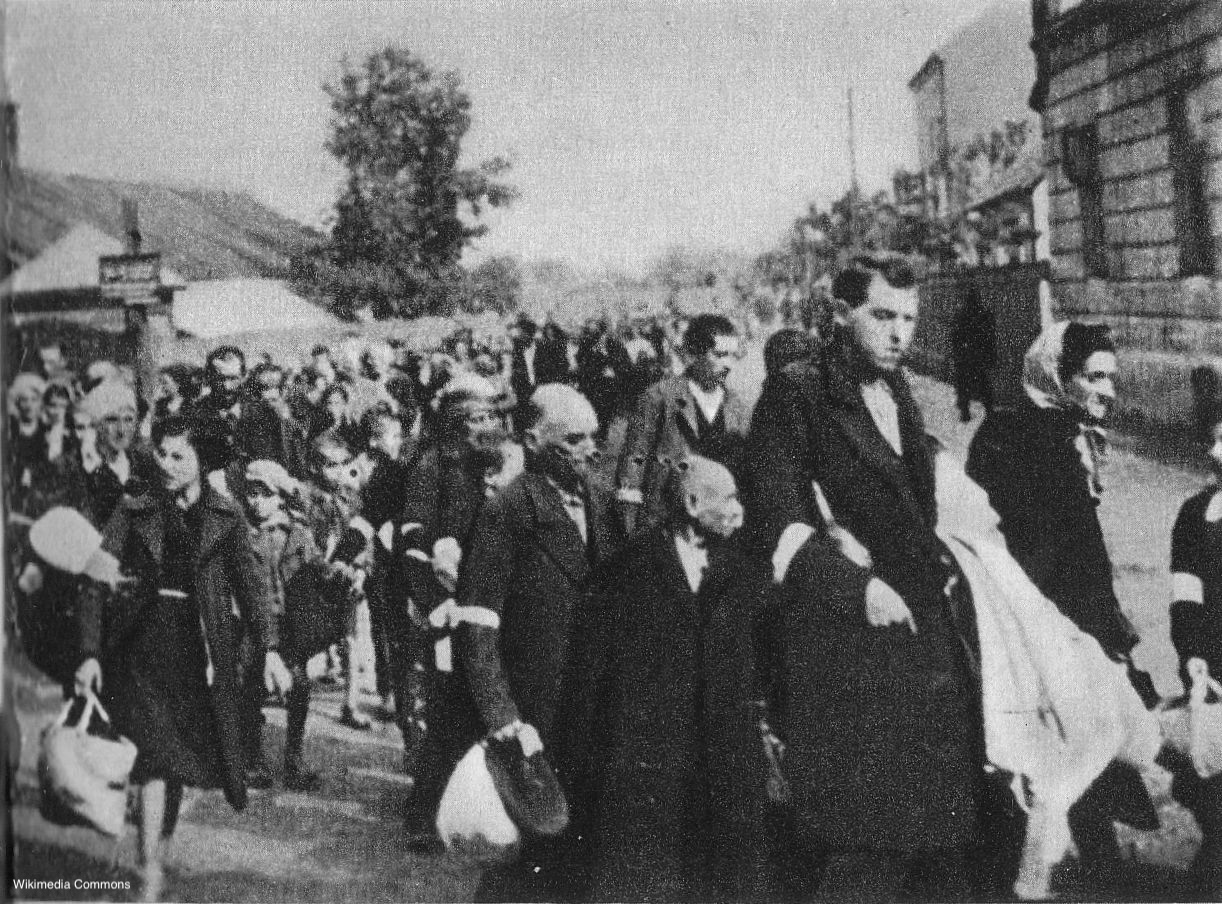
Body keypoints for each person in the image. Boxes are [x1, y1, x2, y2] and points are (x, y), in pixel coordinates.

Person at [746, 256, 982, 902]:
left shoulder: (900, 390)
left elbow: (912, 505)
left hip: (920, 633)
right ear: (840, 313)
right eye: (883, 316)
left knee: (937, 833)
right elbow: (780, 524)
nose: (899, 332)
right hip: (849, 645)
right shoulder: (797, 391)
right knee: (870, 844)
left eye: (908, 318)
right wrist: (857, 589)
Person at [966, 321, 1157, 892]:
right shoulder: (1018, 438)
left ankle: (1092, 873)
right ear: (1058, 376)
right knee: (1063, 755)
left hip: (1076, 624)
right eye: (1094, 376)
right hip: (1042, 627)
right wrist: (1082, 635)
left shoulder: (1062, 432)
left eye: (1112, 378)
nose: (1108, 390)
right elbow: (1019, 551)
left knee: (1084, 757)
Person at [74, 414, 290, 901]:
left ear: (201, 462)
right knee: (154, 756)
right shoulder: (136, 508)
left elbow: (253, 590)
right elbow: (93, 579)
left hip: (197, 650)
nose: (167, 465)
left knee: (175, 763)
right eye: (162, 455)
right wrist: (89, 652)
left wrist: (272, 650)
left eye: (179, 456)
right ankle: (149, 869)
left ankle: (157, 855)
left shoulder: (226, 515)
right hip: (140, 644)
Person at [457, 383, 625, 902]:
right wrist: (502, 718)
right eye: (574, 439)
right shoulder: (507, 511)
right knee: (527, 848)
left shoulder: (599, 497)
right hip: (535, 708)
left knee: (581, 844)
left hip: (593, 700)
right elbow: (478, 628)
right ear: (533, 440)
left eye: (594, 436)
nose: (591, 449)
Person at [579, 455, 770, 902]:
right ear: (690, 502)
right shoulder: (628, 570)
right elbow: (595, 675)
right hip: (649, 764)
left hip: (722, 762)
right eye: (729, 498)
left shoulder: (745, 576)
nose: (739, 510)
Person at [393, 373, 508, 839]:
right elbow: (413, 535)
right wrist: (432, 598)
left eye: (489, 415)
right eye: (474, 416)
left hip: (500, 595)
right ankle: (424, 812)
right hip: (453, 596)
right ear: (457, 420)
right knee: (455, 709)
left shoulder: (506, 460)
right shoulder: (434, 464)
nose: (484, 424)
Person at [616, 313, 749, 533]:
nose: (727, 365)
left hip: (719, 522)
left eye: (732, 356)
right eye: (719, 355)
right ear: (693, 355)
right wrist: (630, 523)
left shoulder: (737, 407)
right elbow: (635, 459)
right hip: (667, 519)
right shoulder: (659, 397)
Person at [1169, 398, 1222, 896]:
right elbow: (1185, 595)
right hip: (1216, 667)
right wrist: (1192, 654)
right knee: (1207, 769)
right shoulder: (1197, 515)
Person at [79, 380, 159, 526]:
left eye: (128, 419)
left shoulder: (144, 464)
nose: (122, 430)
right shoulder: (82, 468)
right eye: (112, 419)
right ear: (96, 424)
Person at [950, 289, 996, 422]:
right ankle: (988, 411)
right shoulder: (985, 315)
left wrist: (956, 354)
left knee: (964, 385)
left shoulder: (961, 315)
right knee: (983, 384)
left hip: (965, 357)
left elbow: (955, 338)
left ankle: (965, 412)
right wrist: (991, 356)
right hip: (978, 357)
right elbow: (990, 337)